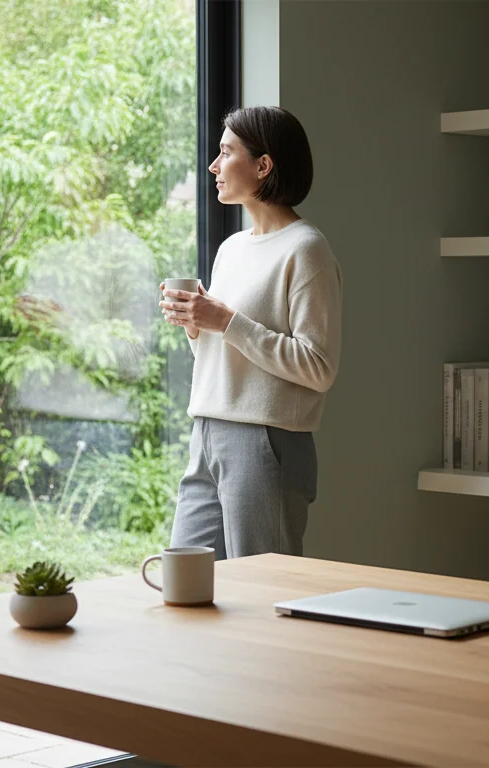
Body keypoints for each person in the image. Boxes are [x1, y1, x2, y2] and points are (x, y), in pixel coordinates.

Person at [159, 106, 342, 559]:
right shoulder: (233, 248)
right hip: (207, 430)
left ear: (263, 165)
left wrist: (225, 321)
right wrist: (196, 323)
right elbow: (230, 348)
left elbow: (318, 368)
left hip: (266, 439)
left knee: (261, 588)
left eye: (225, 152)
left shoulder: (307, 250)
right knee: (187, 584)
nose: (213, 166)